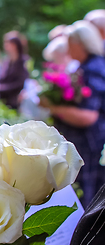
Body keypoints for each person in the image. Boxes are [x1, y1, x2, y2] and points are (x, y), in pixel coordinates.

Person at [40, 21, 105, 207]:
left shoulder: (93, 69)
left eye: (70, 43)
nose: (67, 49)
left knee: (86, 196)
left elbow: (88, 116)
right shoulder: (87, 66)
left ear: (80, 43)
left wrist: (54, 107)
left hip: (89, 144)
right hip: (86, 143)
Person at [0, 36, 29, 109]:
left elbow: (21, 82)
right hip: (3, 98)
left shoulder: (24, 62)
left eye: (7, 43)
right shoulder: (6, 61)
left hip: (17, 100)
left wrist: (3, 88)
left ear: (15, 45)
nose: (5, 46)